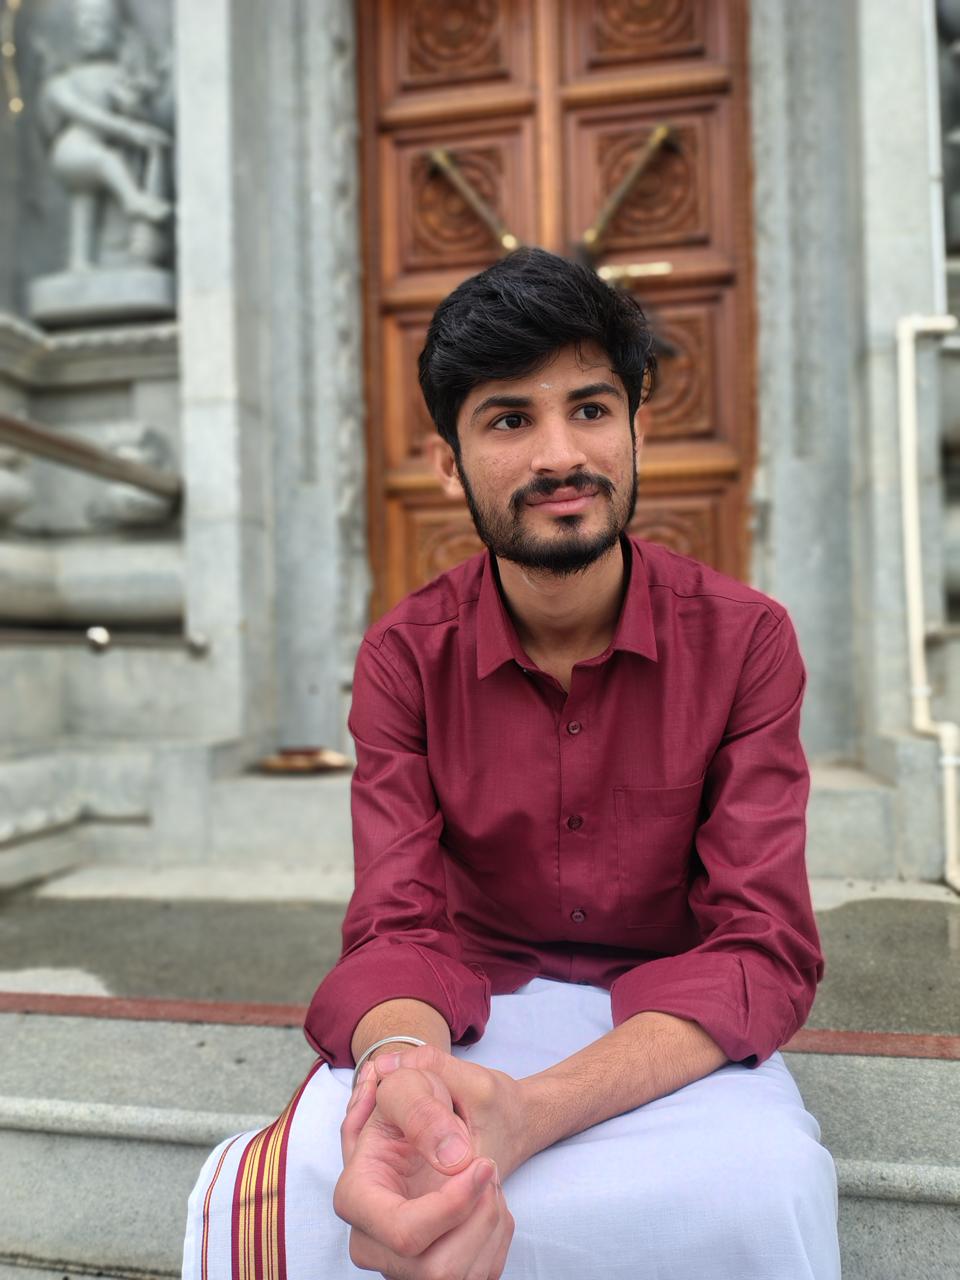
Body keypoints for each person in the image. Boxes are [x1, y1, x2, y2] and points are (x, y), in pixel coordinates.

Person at [183, 248, 840, 1280]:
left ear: (638, 428)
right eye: (507, 420)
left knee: (768, 1186)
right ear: (448, 462)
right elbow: (395, 924)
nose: (559, 455)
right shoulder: (404, 657)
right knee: (320, 1178)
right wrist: (403, 1069)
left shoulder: (746, 641)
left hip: (668, 1030)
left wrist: (530, 1113)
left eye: (590, 408)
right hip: (465, 1014)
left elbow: (760, 943)